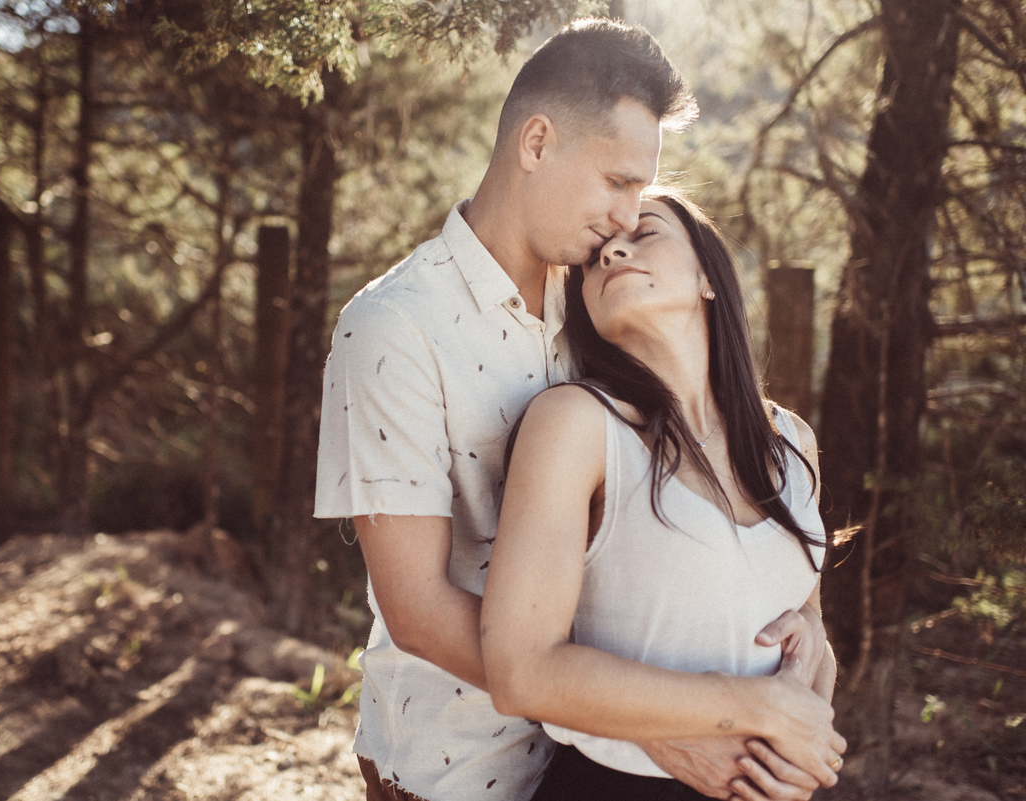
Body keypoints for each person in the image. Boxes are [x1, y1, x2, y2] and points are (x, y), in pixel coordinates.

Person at [315, 19, 832, 801]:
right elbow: (418, 608)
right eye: (619, 181)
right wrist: (650, 727)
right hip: (463, 766)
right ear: (536, 143)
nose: (628, 218)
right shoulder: (394, 326)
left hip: (602, 770)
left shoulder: (594, 298)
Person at [480, 189, 845, 801]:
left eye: (644, 232)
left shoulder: (792, 441)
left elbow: (805, 623)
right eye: (593, 257)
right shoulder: (577, 425)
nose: (612, 249)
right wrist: (748, 708)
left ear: (708, 274)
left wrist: (805, 696)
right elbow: (522, 671)